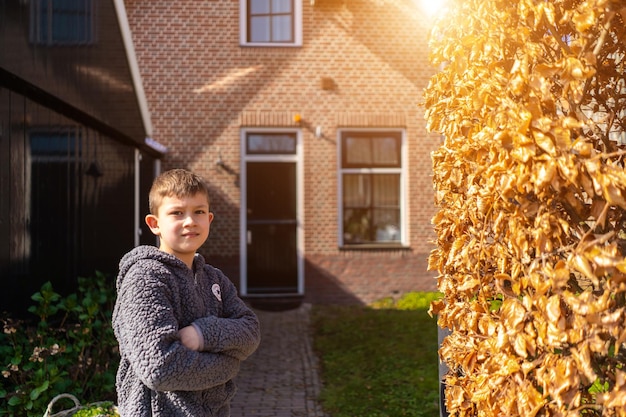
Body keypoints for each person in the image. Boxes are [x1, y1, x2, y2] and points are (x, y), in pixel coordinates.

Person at [112, 168, 261, 417]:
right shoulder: (145, 278)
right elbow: (159, 367)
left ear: (209, 219)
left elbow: (250, 330)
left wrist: (203, 334)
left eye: (198, 212)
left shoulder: (214, 279)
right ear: (154, 224)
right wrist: (229, 365)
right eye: (177, 213)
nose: (190, 221)